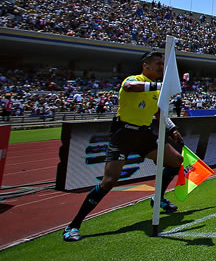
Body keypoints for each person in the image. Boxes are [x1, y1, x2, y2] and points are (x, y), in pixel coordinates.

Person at [63, 50, 185, 242]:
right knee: (109, 181)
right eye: (158, 65)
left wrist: (172, 129)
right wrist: (159, 84)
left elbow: (160, 114)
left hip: (144, 135)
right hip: (124, 135)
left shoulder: (158, 91)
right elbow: (129, 87)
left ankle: (158, 198)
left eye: (163, 65)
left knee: (176, 161)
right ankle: (73, 225)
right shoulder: (134, 80)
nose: (162, 68)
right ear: (146, 66)